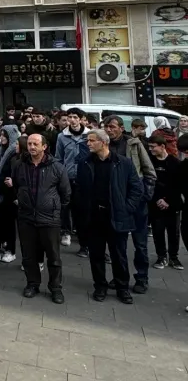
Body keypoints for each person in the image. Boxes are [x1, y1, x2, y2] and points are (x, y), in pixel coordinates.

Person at [74, 129, 142, 304]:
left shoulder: (123, 163)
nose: (87, 143)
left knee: (119, 255)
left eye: (91, 140)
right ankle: (100, 286)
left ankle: (122, 288)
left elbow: (136, 188)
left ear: (103, 142)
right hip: (94, 216)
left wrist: (127, 208)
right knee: (96, 255)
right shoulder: (85, 163)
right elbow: (79, 189)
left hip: (116, 215)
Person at [10, 133, 70, 303]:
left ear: (44, 146)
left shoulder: (56, 167)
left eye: (35, 144)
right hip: (26, 218)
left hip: (49, 219)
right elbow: (15, 186)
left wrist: (54, 209)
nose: (32, 147)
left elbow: (66, 193)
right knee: (29, 255)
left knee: (53, 256)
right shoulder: (20, 165)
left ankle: (55, 288)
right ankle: (32, 284)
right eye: (29, 144)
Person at [105, 115, 156, 292]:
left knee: (140, 243)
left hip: (137, 200)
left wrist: (145, 195)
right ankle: (120, 276)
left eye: (112, 127)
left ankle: (142, 278)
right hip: (116, 202)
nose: (109, 130)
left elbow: (149, 171)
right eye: (106, 127)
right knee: (118, 245)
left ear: (121, 127)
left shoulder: (133, 144)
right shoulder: (105, 146)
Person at [55, 108, 90, 255]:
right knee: (66, 207)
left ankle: (85, 245)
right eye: (70, 117)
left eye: (75, 117)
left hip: (85, 179)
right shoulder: (62, 137)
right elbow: (58, 158)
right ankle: (66, 232)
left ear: (81, 119)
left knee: (83, 212)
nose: (73, 120)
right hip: (67, 178)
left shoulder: (89, 135)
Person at [149, 133, 184, 270]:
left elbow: (178, 185)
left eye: (153, 147)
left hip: (172, 203)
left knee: (173, 232)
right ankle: (161, 256)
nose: (151, 150)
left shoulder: (175, 163)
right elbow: (150, 183)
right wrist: (157, 199)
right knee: (158, 231)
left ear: (162, 146)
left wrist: (168, 200)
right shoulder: (150, 162)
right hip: (155, 202)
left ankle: (174, 257)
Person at [0, 124, 22, 264]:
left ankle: (10, 250)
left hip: (8, 194)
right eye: (1, 134)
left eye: (4, 135)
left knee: (9, 224)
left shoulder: (15, 152)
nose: (1, 138)